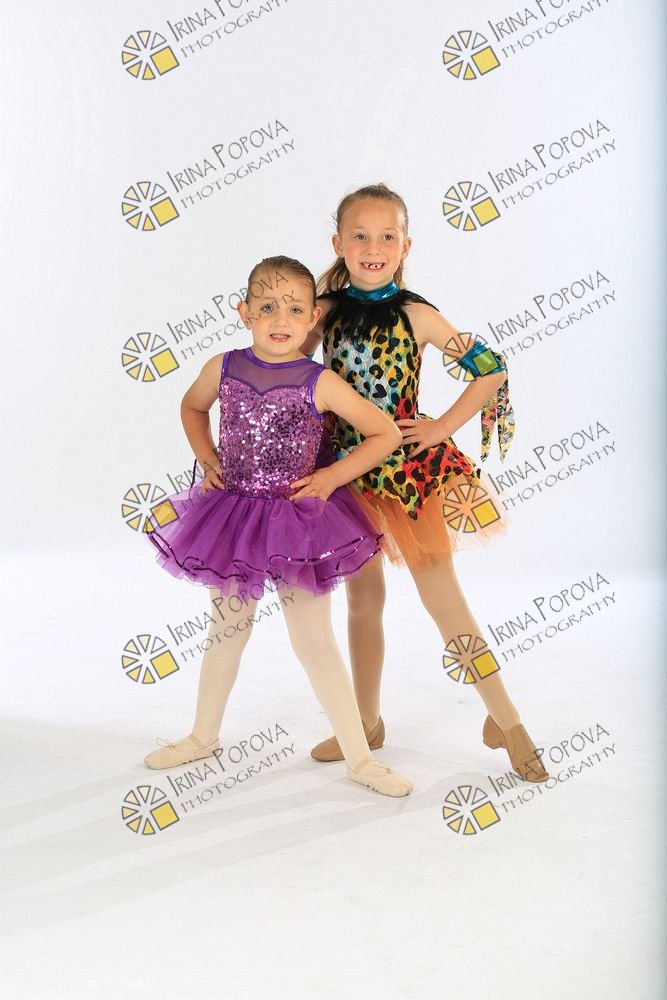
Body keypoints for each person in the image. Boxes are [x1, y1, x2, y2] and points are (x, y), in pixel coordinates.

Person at [302, 184, 549, 783]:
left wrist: (440, 427)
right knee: (363, 599)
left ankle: (507, 719)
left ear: (406, 246)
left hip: (407, 475)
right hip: (346, 474)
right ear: (338, 243)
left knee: (443, 599)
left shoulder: (418, 315)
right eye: (360, 235)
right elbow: (286, 365)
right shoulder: (324, 312)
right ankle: (366, 722)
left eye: (387, 236)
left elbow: (490, 369)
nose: (373, 247)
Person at [142, 254, 413, 797]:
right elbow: (192, 407)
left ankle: (360, 759)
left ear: (313, 316)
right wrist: (208, 459)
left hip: (298, 522)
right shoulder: (223, 368)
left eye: (293, 308)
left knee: (313, 642)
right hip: (234, 517)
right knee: (226, 631)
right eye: (266, 307)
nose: (279, 319)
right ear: (244, 312)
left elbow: (384, 433)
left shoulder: (321, 381)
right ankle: (202, 736)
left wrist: (331, 477)